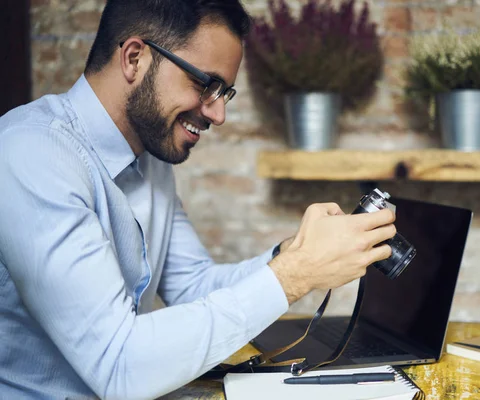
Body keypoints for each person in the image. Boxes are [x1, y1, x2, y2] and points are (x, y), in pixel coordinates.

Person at [0, 1, 396, 398]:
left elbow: (194, 286)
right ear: (135, 58)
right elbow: (119, 364)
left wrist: (293, 254)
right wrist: (296, 275)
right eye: (205, 84)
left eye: (224, 92)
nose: (218, 113)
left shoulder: (151, 159)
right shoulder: (30, 154)